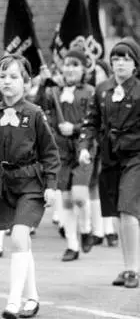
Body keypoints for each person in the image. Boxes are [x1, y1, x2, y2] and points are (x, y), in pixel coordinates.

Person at [0, 54, 60, 319]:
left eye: (14, 77)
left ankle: (13, 301)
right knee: (22, 241)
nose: (7, 81)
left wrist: (51, 185)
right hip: (6, 183)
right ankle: (32, 297)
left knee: (19, 237)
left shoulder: (35, 114)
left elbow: (50, 153)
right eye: (3, 76)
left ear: (26, 82)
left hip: (32, 183)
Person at [79, 38, 140, 288]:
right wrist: (84, 147)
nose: (119, 63)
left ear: (135, 64)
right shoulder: (102, 89)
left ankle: (133, 270)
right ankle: (128, 267)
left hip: (136, 156)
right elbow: (90, 122)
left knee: (127, 209)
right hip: (110, 157)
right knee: (117, 212)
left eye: (126, 58)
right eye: (115, 59)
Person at [37, 49, 94, 261]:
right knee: (67, 200)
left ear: (84, 69)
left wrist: (76, 128)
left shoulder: (89, 92)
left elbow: (94, 121)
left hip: (82, 149)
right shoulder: (55, 90)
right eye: (67, 64)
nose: (70, 69)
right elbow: (41, 106)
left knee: (79, 196)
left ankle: (87, 228)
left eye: (75, 65)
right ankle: (72, 244)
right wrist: (44, 84)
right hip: (61, 150)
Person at [88, 59, 119, 247]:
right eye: (93, 72)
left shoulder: (109, 91)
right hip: (92, 144)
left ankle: (109, 229)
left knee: (107, 185)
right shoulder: (88, 91)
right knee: (93, 187)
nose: (95, 74)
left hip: (109, 145)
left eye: (99, 71)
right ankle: (98, 230)